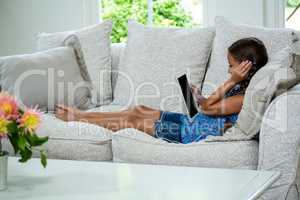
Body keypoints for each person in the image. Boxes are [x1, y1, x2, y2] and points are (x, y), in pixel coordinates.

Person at [55, 37, 268, 144]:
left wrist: (230, 81)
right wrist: (198, 96)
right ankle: (83, 114)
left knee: (133, 121)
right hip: (192, 122)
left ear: (245, 67)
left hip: (190, 133)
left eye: (232, 65)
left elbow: (208, 109)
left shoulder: (242, 97)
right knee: (137, 109)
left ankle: (78, 118)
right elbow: (206, 106)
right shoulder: (239, 86)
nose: (229, 69)